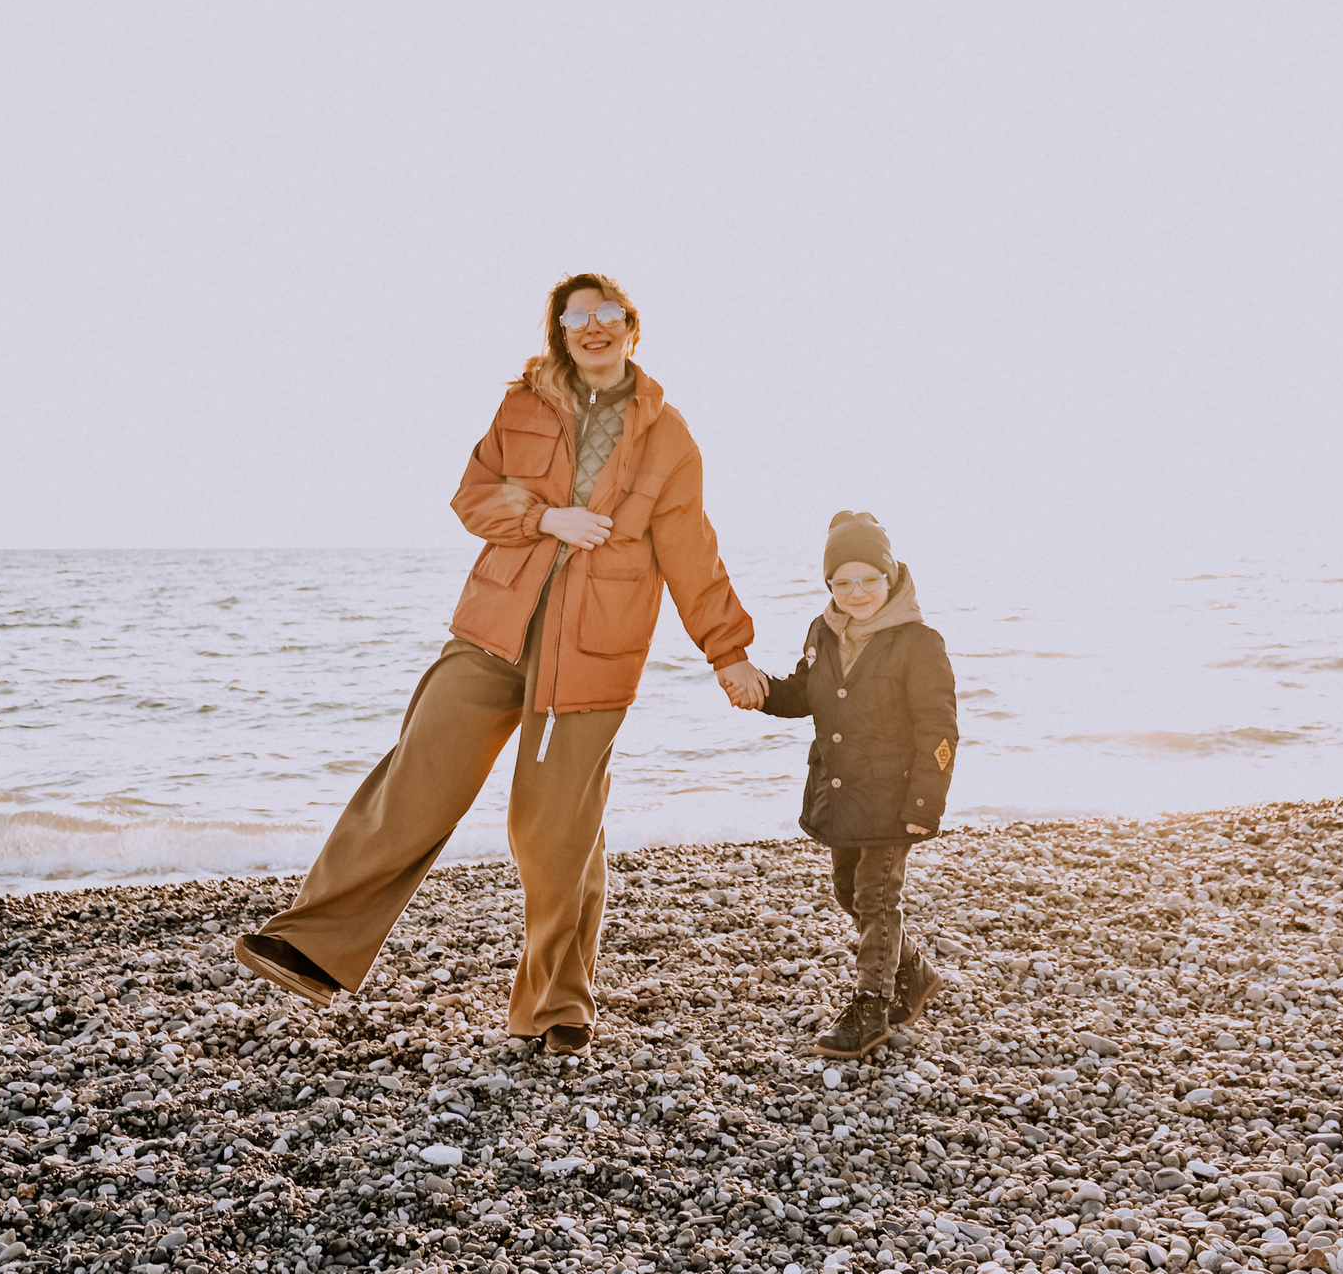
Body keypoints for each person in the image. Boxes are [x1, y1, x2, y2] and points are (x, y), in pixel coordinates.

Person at [236, 273, 768, 1055]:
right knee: (418, 776)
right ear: (560, 329)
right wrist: (544, 516)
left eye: (607, 314)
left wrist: (728, 652)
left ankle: (556, 1009)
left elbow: (691, 550)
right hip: (492, 631)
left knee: (555, 834)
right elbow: (473, 497)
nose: (593, 326)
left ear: (633, 328)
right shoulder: (522, 405)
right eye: (576, 316)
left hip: (593, 652)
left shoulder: (668, 435)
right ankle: (313, 945)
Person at [753, 511, 959, 1059]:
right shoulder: (823, 632)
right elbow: (805, 694)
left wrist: (924, 804)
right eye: (842, 582)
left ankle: (872, 1006)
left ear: (890, 578)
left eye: (868, 579)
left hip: (893, 800)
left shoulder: (919, 643)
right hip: (841, 793)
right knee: (847, 891)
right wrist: (760, 691)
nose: (856, 592)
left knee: (876, 895)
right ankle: (913, 968)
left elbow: (939, 731)